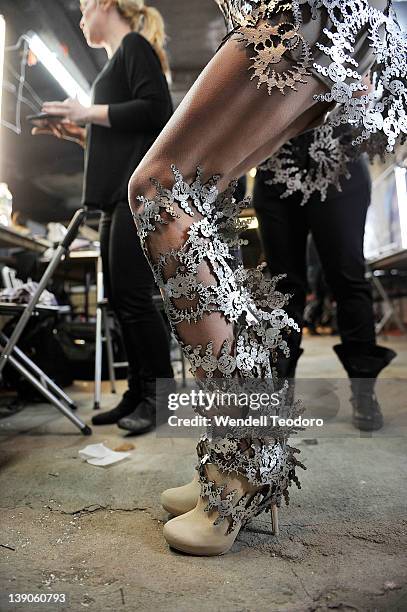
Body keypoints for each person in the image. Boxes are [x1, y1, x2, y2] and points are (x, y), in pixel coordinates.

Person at [125, 0, 405, 555]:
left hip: (300, 14)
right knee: (191, 202)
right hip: (327, 26)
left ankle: (243, 465)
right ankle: (236, 451)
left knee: (158, 192)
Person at [33, 0, 175, 435]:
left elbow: (156, 110)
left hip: (136, 195)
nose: (80, 18)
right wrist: (81, 132)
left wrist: (84, 112)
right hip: (116, 195)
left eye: (84, 8)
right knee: (119, 299)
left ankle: (158, 397)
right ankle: (137, 391)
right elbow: (122, 137)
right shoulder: (118, 60)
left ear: (107, 5)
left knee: (133, 297)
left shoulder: (134, 45)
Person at [253, 125, 397, 432]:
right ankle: (278, 392)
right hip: (276, 163)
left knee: (347, 278)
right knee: (282, 287)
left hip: (338, 159)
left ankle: (363, 392)